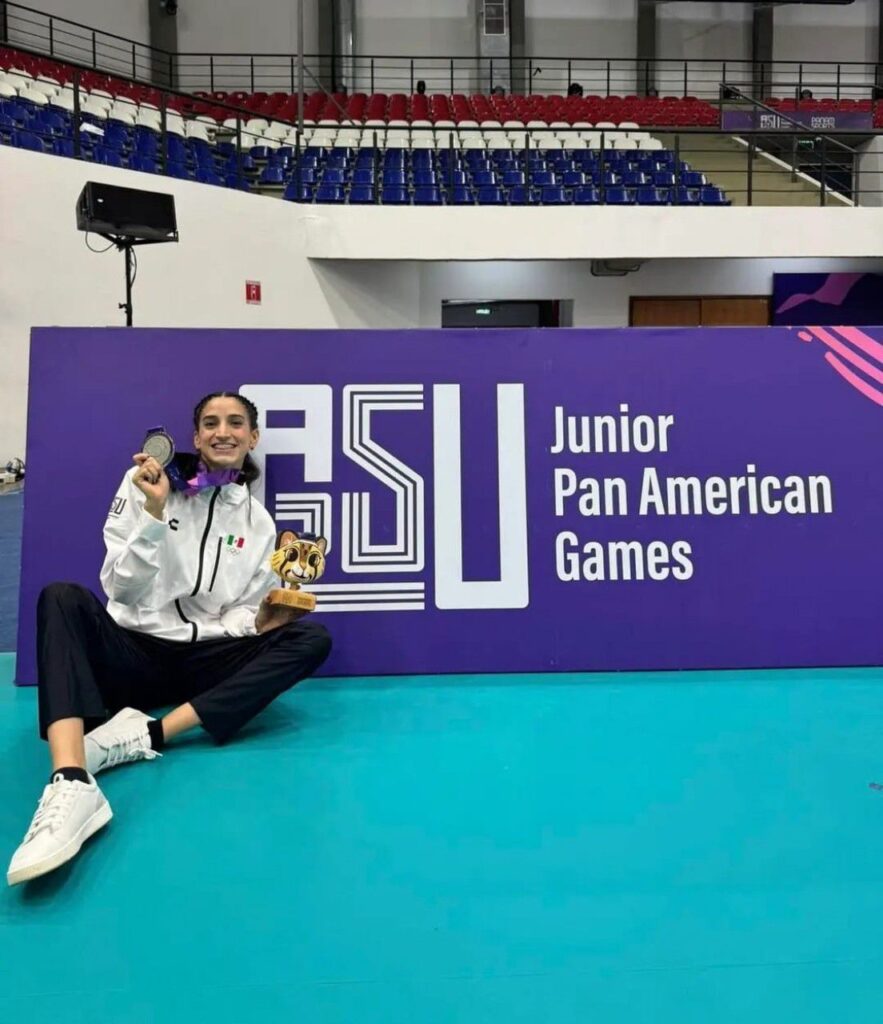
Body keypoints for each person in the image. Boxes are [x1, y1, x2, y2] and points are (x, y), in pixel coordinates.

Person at [7, 391, 332, 886]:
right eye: (211, 423)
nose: (224, 431)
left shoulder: (259, 523)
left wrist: (258, 624)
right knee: (61, 597)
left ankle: (151, 734)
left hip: (204, 662)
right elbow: (120, 588)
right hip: (134, 650)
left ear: (253, 436)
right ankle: (72, 780)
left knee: (312, 638)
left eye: (236, 423)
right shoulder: (146, 485)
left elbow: (241, 610)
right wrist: (155, 516)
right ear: (196, 436)